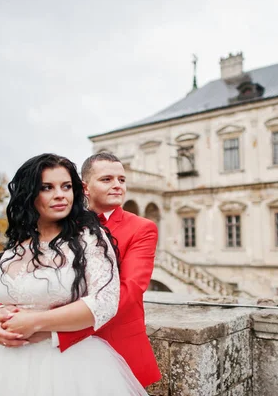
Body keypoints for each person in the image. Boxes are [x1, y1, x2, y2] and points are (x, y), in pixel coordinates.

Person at [0, 153, 147, 395]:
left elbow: (105, 302)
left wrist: (34, 322)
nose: (60, 194)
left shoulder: (90, 238)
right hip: (4, 364)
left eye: (66, 186)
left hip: (70, 364)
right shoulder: (16, 247)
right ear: (29, 194)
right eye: (47, 187)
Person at [55, 152, 161, 387]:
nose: (117, 186)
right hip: (60, 351)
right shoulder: (63, 226)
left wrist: (60, 331)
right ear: (85, 187)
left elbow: (130, 290)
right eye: (107, 179)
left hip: (115, 346)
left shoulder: (142, 228)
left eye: (121, 180)